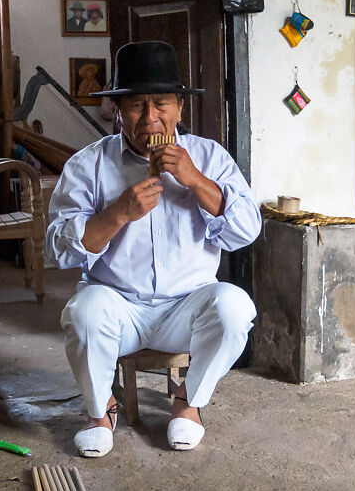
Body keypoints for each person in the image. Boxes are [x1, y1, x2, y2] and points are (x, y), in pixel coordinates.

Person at [46, 41, 262, 458]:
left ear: (180, 107)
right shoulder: (88, 164)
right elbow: (59, 251)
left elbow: (246, 231)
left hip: (187, 307)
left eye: (161, 103)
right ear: (117, 111)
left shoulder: (208, 156)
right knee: (83, 311)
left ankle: (189, 402)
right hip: (119, 307)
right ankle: (99, 412)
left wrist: (195, 180)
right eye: (136, 106)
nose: (150, 118)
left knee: (235, 308)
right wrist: (118, 214)